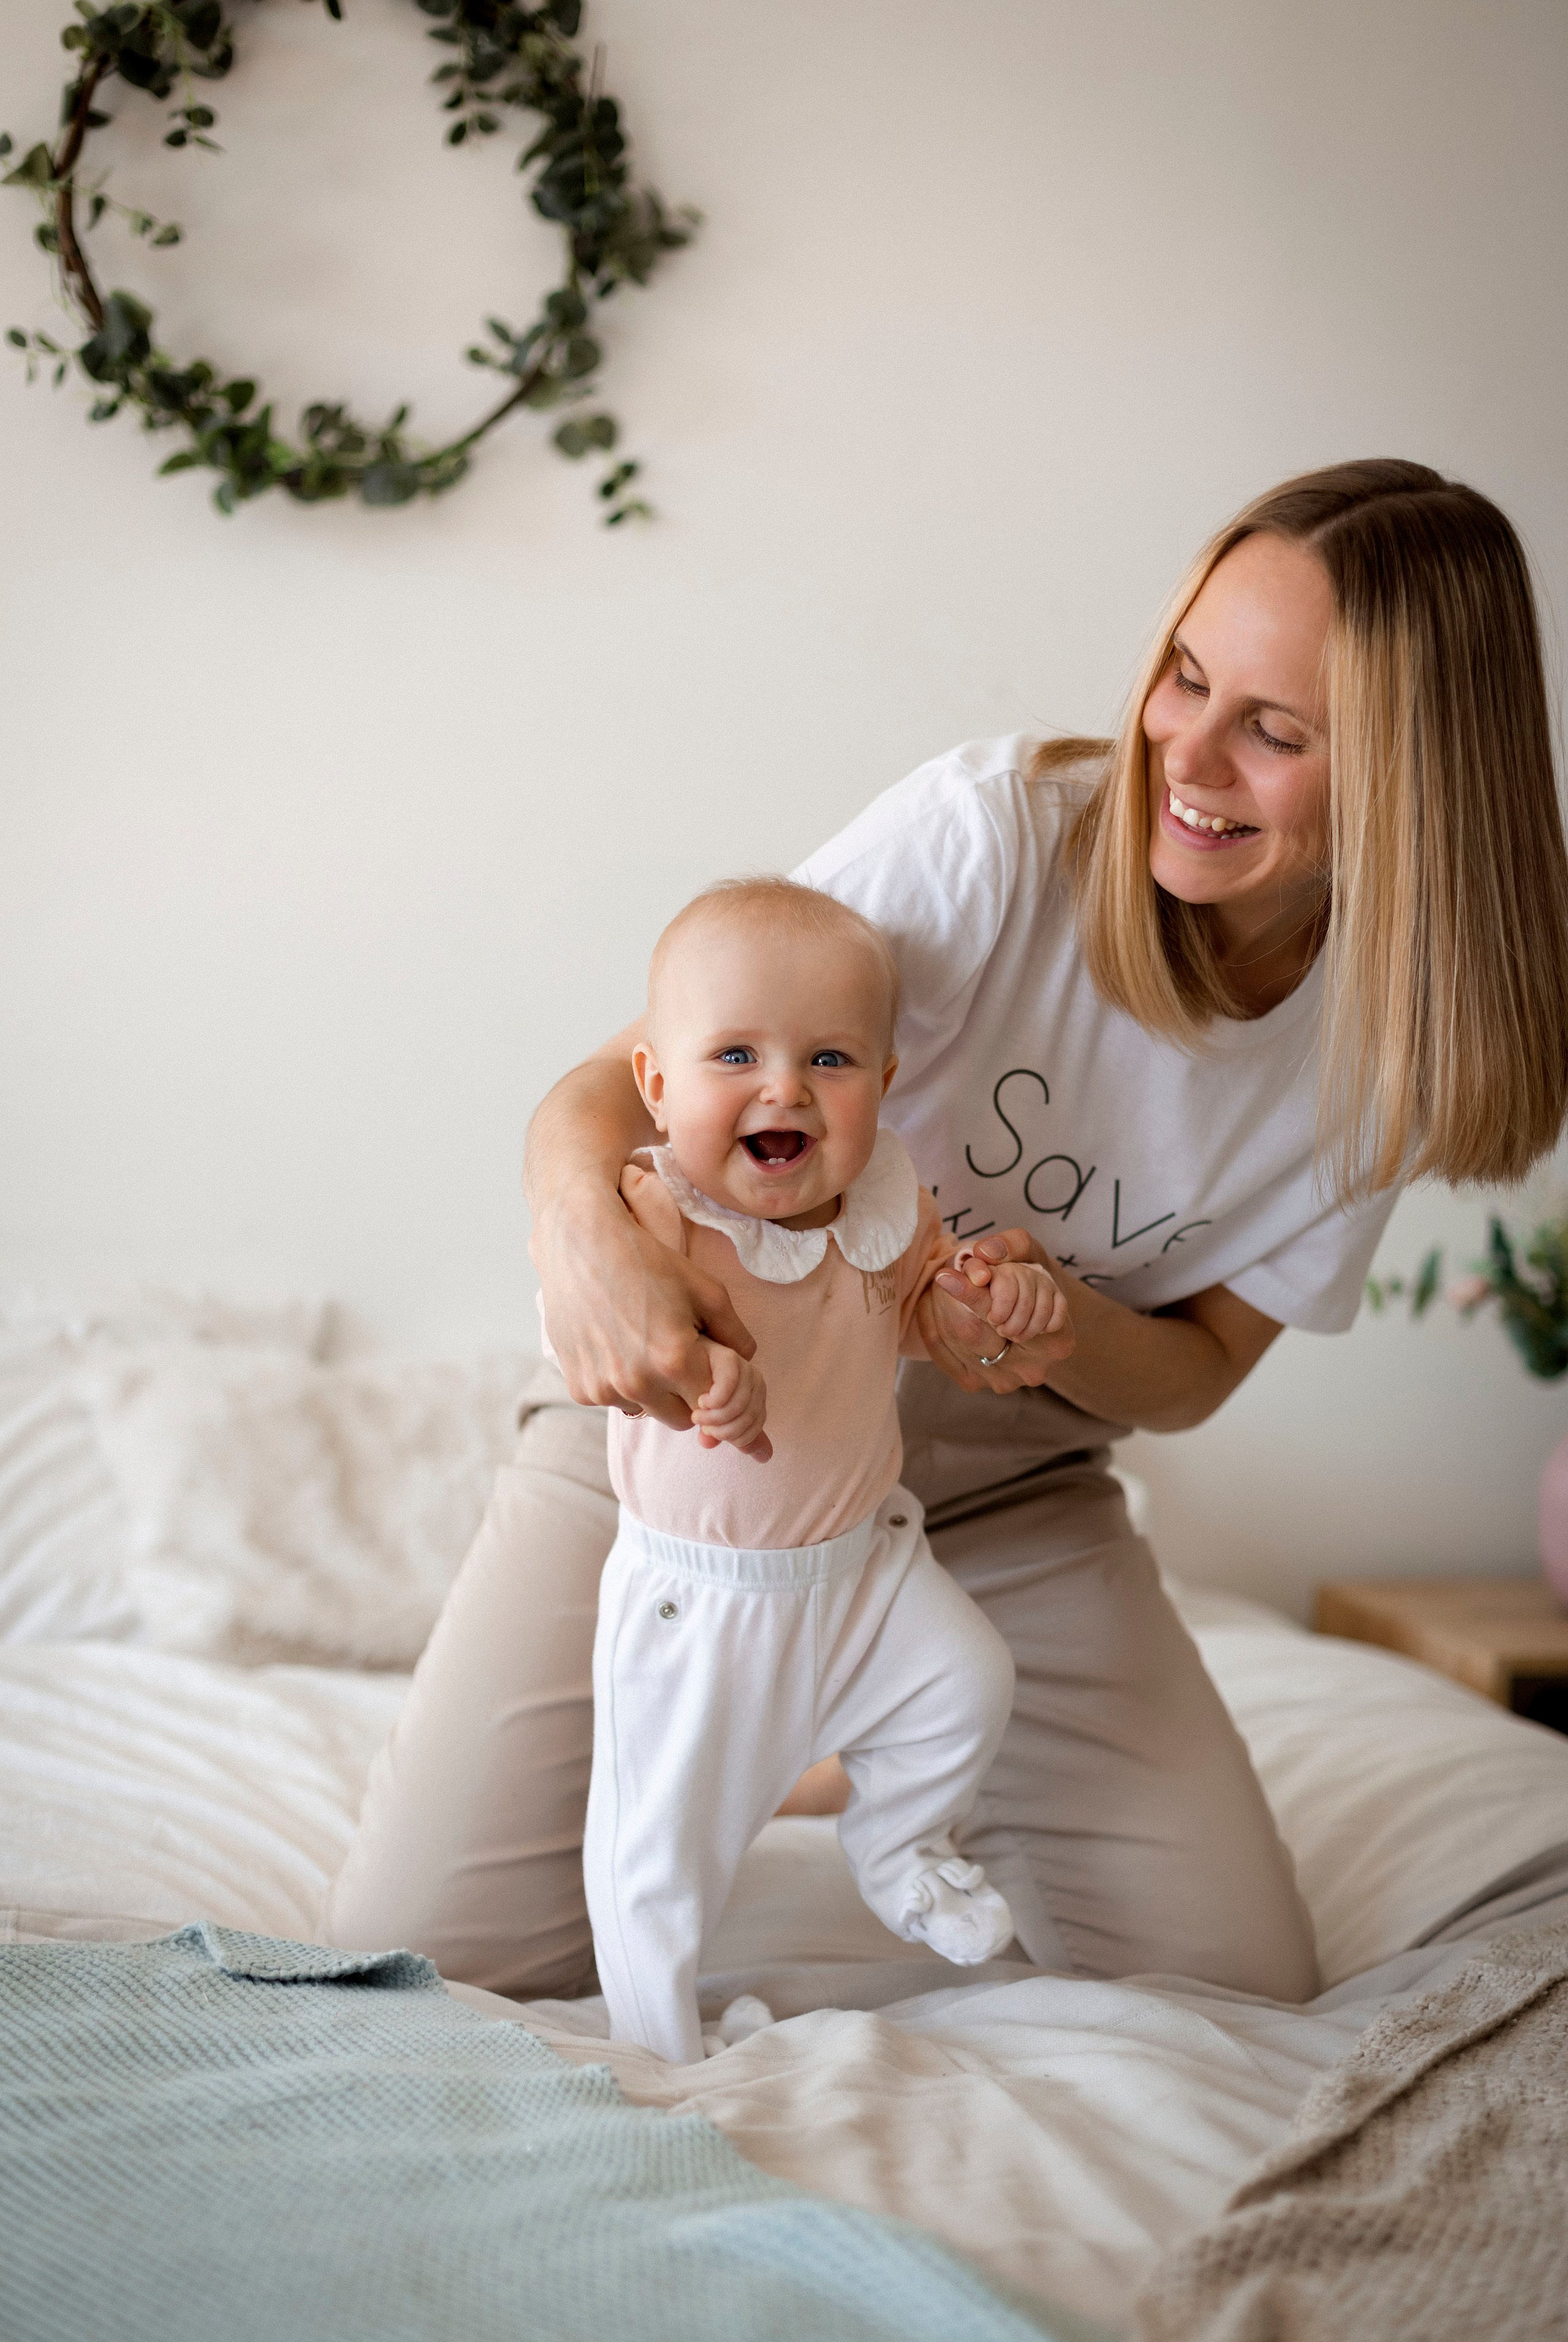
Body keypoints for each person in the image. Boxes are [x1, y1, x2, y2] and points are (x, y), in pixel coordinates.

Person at [325, 459, 1568, 2009]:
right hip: (705, 1456)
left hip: (1000, 1497)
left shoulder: (1393, 1049)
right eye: (1185, 675)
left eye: (1272, 730)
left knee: (1230, 1983)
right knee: (435, 1958)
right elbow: (615, 1084)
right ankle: (804, 1731)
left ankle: (863, 1729)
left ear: (1408, 779)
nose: (1182, 751)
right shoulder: (995, 837)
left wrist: (1060, 1331)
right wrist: (581, 1232)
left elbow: (1190, 1379)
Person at [570, 877, 1068, 2063]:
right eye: (734, 1052)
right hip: (704, 1599)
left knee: (965, 1681)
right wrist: (693, 1370)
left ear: (884, 1085)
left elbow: (917, 1322)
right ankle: (657, 2055)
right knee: (659, 1854)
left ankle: (899, 1847)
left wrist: (977, 1301)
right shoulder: (656, 1213)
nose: (784, 1087)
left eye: (830, 1059)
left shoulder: (884, 1200)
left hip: (859, 1571)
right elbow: (593, 1338)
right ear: (655, 1083)